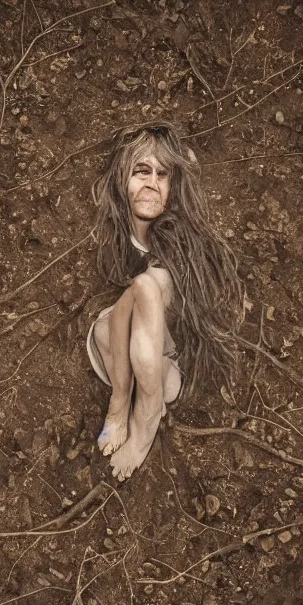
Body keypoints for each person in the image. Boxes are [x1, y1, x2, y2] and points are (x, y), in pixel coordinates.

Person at [86, 123, 243, 481]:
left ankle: (146, 421)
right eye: (141, 171)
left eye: (162, 175)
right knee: (104, 325)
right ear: (122, 178)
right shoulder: (121, 231)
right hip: (135, 354)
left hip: (166, 363)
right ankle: (121, 397)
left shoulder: (177, 240)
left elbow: (182, 308)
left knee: (146, 284)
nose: (152, 183)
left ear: (174, 189)